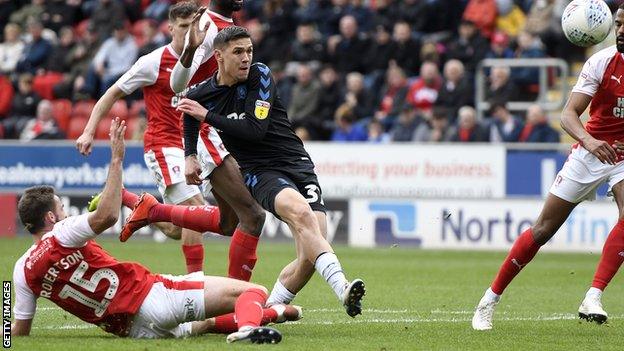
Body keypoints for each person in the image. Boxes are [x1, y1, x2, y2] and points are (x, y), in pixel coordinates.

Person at [11, 118, 297, 343]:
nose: (65, 213)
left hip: (132, 330)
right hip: (151, 296)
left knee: (208, 322)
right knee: (253, 292)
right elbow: (107, 216)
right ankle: (249, 328)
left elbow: (18, 331)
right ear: (50, 216)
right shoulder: (61, 232)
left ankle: (276, 312)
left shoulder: (21, 270)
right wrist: (117, 159)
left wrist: (4, 330)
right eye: (61, 208)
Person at [176, 26, 366, 317]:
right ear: (219, 56)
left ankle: (266, 310)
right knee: (301, 214)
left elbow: (255, 129)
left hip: (297, 164)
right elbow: (189, 113)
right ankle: (342, 287)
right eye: (238, 52)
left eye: (249, 51)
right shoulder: (204, 93)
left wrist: (208, 117)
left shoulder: (260, 75)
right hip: (260, 172)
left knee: (309, 255)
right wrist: (190, 155)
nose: (246, 58)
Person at [76, 2, 265, 281]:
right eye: (185, 27)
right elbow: (112, 93)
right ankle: (195, 285)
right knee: (194, 208)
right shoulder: (152, 62)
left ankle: (137, 204)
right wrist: (89, 130)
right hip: (165, 145)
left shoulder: (207, 55)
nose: (191, 32)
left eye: (194, 26)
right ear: (171, 28)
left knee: (193, 225)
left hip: (200, 139)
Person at [472, 5, 624, 330]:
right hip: (590, 151)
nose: (621, 30)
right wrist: (590, 141)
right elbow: (567, 116)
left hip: (622, 157)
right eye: (619, 24)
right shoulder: (601, 61)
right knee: (543, 229)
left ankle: (593, 295)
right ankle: (489, 299)